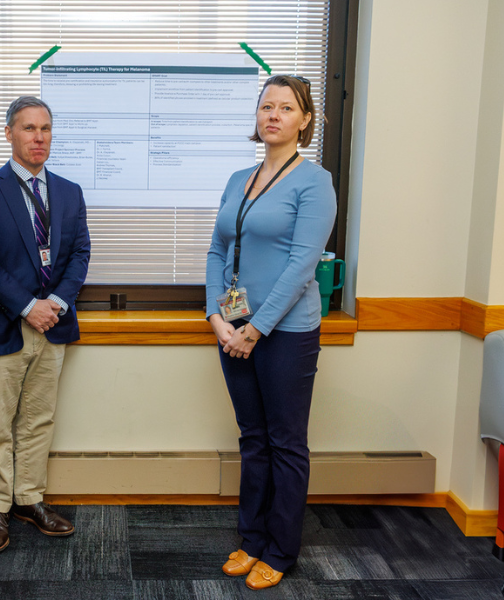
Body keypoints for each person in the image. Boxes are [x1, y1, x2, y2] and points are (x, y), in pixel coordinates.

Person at [206, 75, 336, 590]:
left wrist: (255, 330)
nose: (273, 115)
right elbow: (218, 251)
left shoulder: (314, 182)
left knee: (285, 444)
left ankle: (281, 552)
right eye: (266, 106)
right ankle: (251, 540)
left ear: (304, 120)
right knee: (252, 440)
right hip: (232, 330)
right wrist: (217, 319)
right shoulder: (239, 177)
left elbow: (302, 266)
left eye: (286, 108)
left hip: (285, 334)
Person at [0, 96, 90, 553]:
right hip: (2, 324)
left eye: (44, 128)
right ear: (9, 134)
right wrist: (27, 306)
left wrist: (56, 302)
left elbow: (79, 254)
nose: (37, 137)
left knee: (38, 420)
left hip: (53, 325)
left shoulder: (69, 191)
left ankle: (29, 500)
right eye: (27, 128)